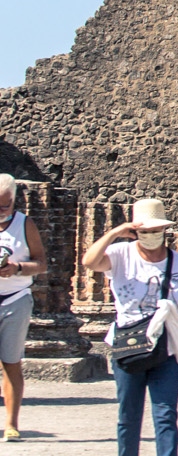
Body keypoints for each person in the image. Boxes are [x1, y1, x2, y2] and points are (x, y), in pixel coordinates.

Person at [80, 198, 178, 456]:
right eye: (145, 231)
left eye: (156, 231)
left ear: (164, 231)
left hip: (168, 346)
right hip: (129, 345)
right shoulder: (120, 255)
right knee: (129, 415)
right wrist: (115, 232)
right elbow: (89, 261)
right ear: (135, 231)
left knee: (166, 415)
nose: (151, 236)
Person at [0, 174, 48, 444]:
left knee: (10, 362)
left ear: (14, 202)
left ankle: (11, 423)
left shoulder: (24, 224)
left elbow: (41, 263)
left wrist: (17, 268)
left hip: (15, 298)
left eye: (4, 206)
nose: (0, 212)